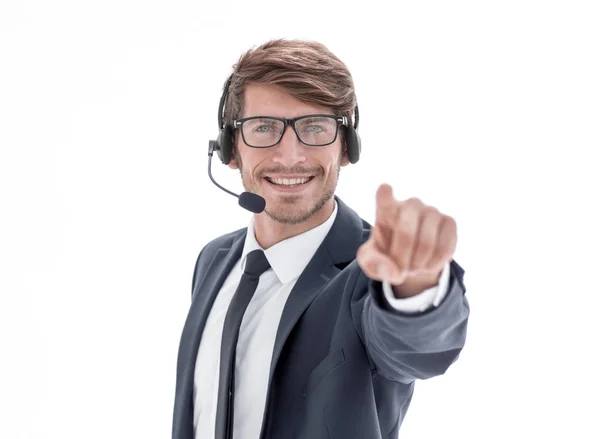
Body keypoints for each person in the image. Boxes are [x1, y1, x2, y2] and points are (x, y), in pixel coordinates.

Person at [172, 39, 470, 439]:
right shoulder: (214, 260)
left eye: (314, 127)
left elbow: (416, 348)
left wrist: (416, 287)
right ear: (229, 149)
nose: (290, 155)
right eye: (264, 127)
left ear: (346, 147)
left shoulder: (372, 273)